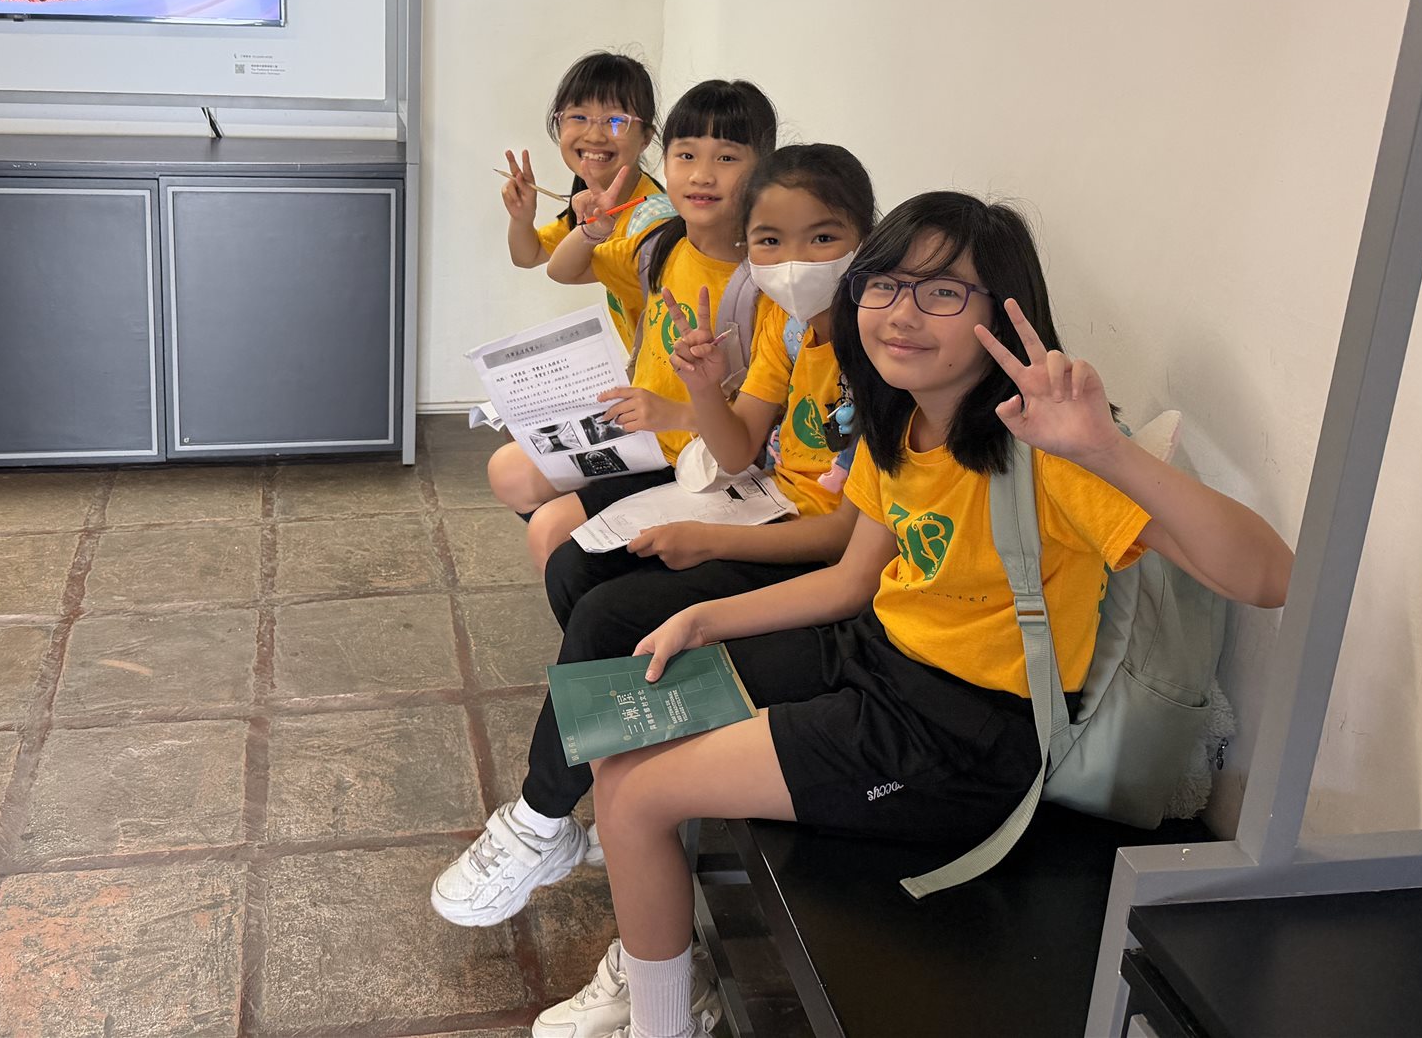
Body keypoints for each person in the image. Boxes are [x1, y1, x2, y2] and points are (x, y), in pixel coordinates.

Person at [544, 192, 1295, 1038]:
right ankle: (655, 960)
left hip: (958, 734)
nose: (902, 314)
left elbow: (1268, 577)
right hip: (872, 656)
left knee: (636, 797)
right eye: (886, 285)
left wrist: (1103, 450)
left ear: (1000, 314)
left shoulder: (1047, 454)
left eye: (941, 292)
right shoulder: (898, 419)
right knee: (620, 741)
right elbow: (849, 583)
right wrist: (706, 620)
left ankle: (660, 1018)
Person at [431, 145, 874, 966]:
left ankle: (540, 818)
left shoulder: (877, 352)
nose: (791, 262)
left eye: (822, 238)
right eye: (769, 241)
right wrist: (703, 384)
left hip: (798, 543)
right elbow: (739, 451)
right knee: (577, 563)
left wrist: (707, 538)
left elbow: (845, 538)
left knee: (608, 611)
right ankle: (616, 753)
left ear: (864, 237)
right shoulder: (784, 325)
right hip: (758, 499)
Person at [484, 80, 779, 574]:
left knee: (551, 530)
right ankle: (604, 552)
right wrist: (592, 231)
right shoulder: (662, 247)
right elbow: (559, 268)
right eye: (686, 155)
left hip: (697, 449)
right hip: (642, 429)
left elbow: (754, 430)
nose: (702, 174)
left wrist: (671, 413)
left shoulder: (762, 283)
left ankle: (608, 560)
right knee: (509, 472)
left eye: (727, 158)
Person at [502, 52, 665, 347]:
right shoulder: (590, 203)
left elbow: (562, 271)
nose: (594, 135)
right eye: (578, 117)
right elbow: (528, 255)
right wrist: (522, 218)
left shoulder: (651, 221)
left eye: (615, 120)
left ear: (645, 138)